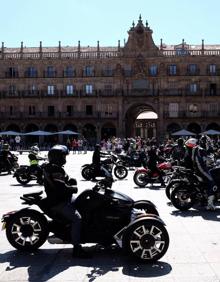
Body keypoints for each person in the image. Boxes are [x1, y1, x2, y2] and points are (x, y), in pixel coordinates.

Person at [43, 145, 91, 258]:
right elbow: (61, 188)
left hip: (62, 198)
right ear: (57, 157)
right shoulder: (55, 169)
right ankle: (77, 249)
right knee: (77, 219)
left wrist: (70, 181)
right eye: (63, 156)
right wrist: (73, 188)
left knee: (85, 204)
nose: (65, 158)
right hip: (59, 202)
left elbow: (61, 183)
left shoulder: (51, 167)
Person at [185, 138, 217, 210]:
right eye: (206, 142)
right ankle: (210, 204)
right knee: (212, 183)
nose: (206, 144)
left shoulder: (196, 149)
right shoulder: (200, 149)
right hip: (201, 169)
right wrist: (210, 162)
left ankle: (205, 198)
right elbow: (204, 160)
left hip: (198, 169)